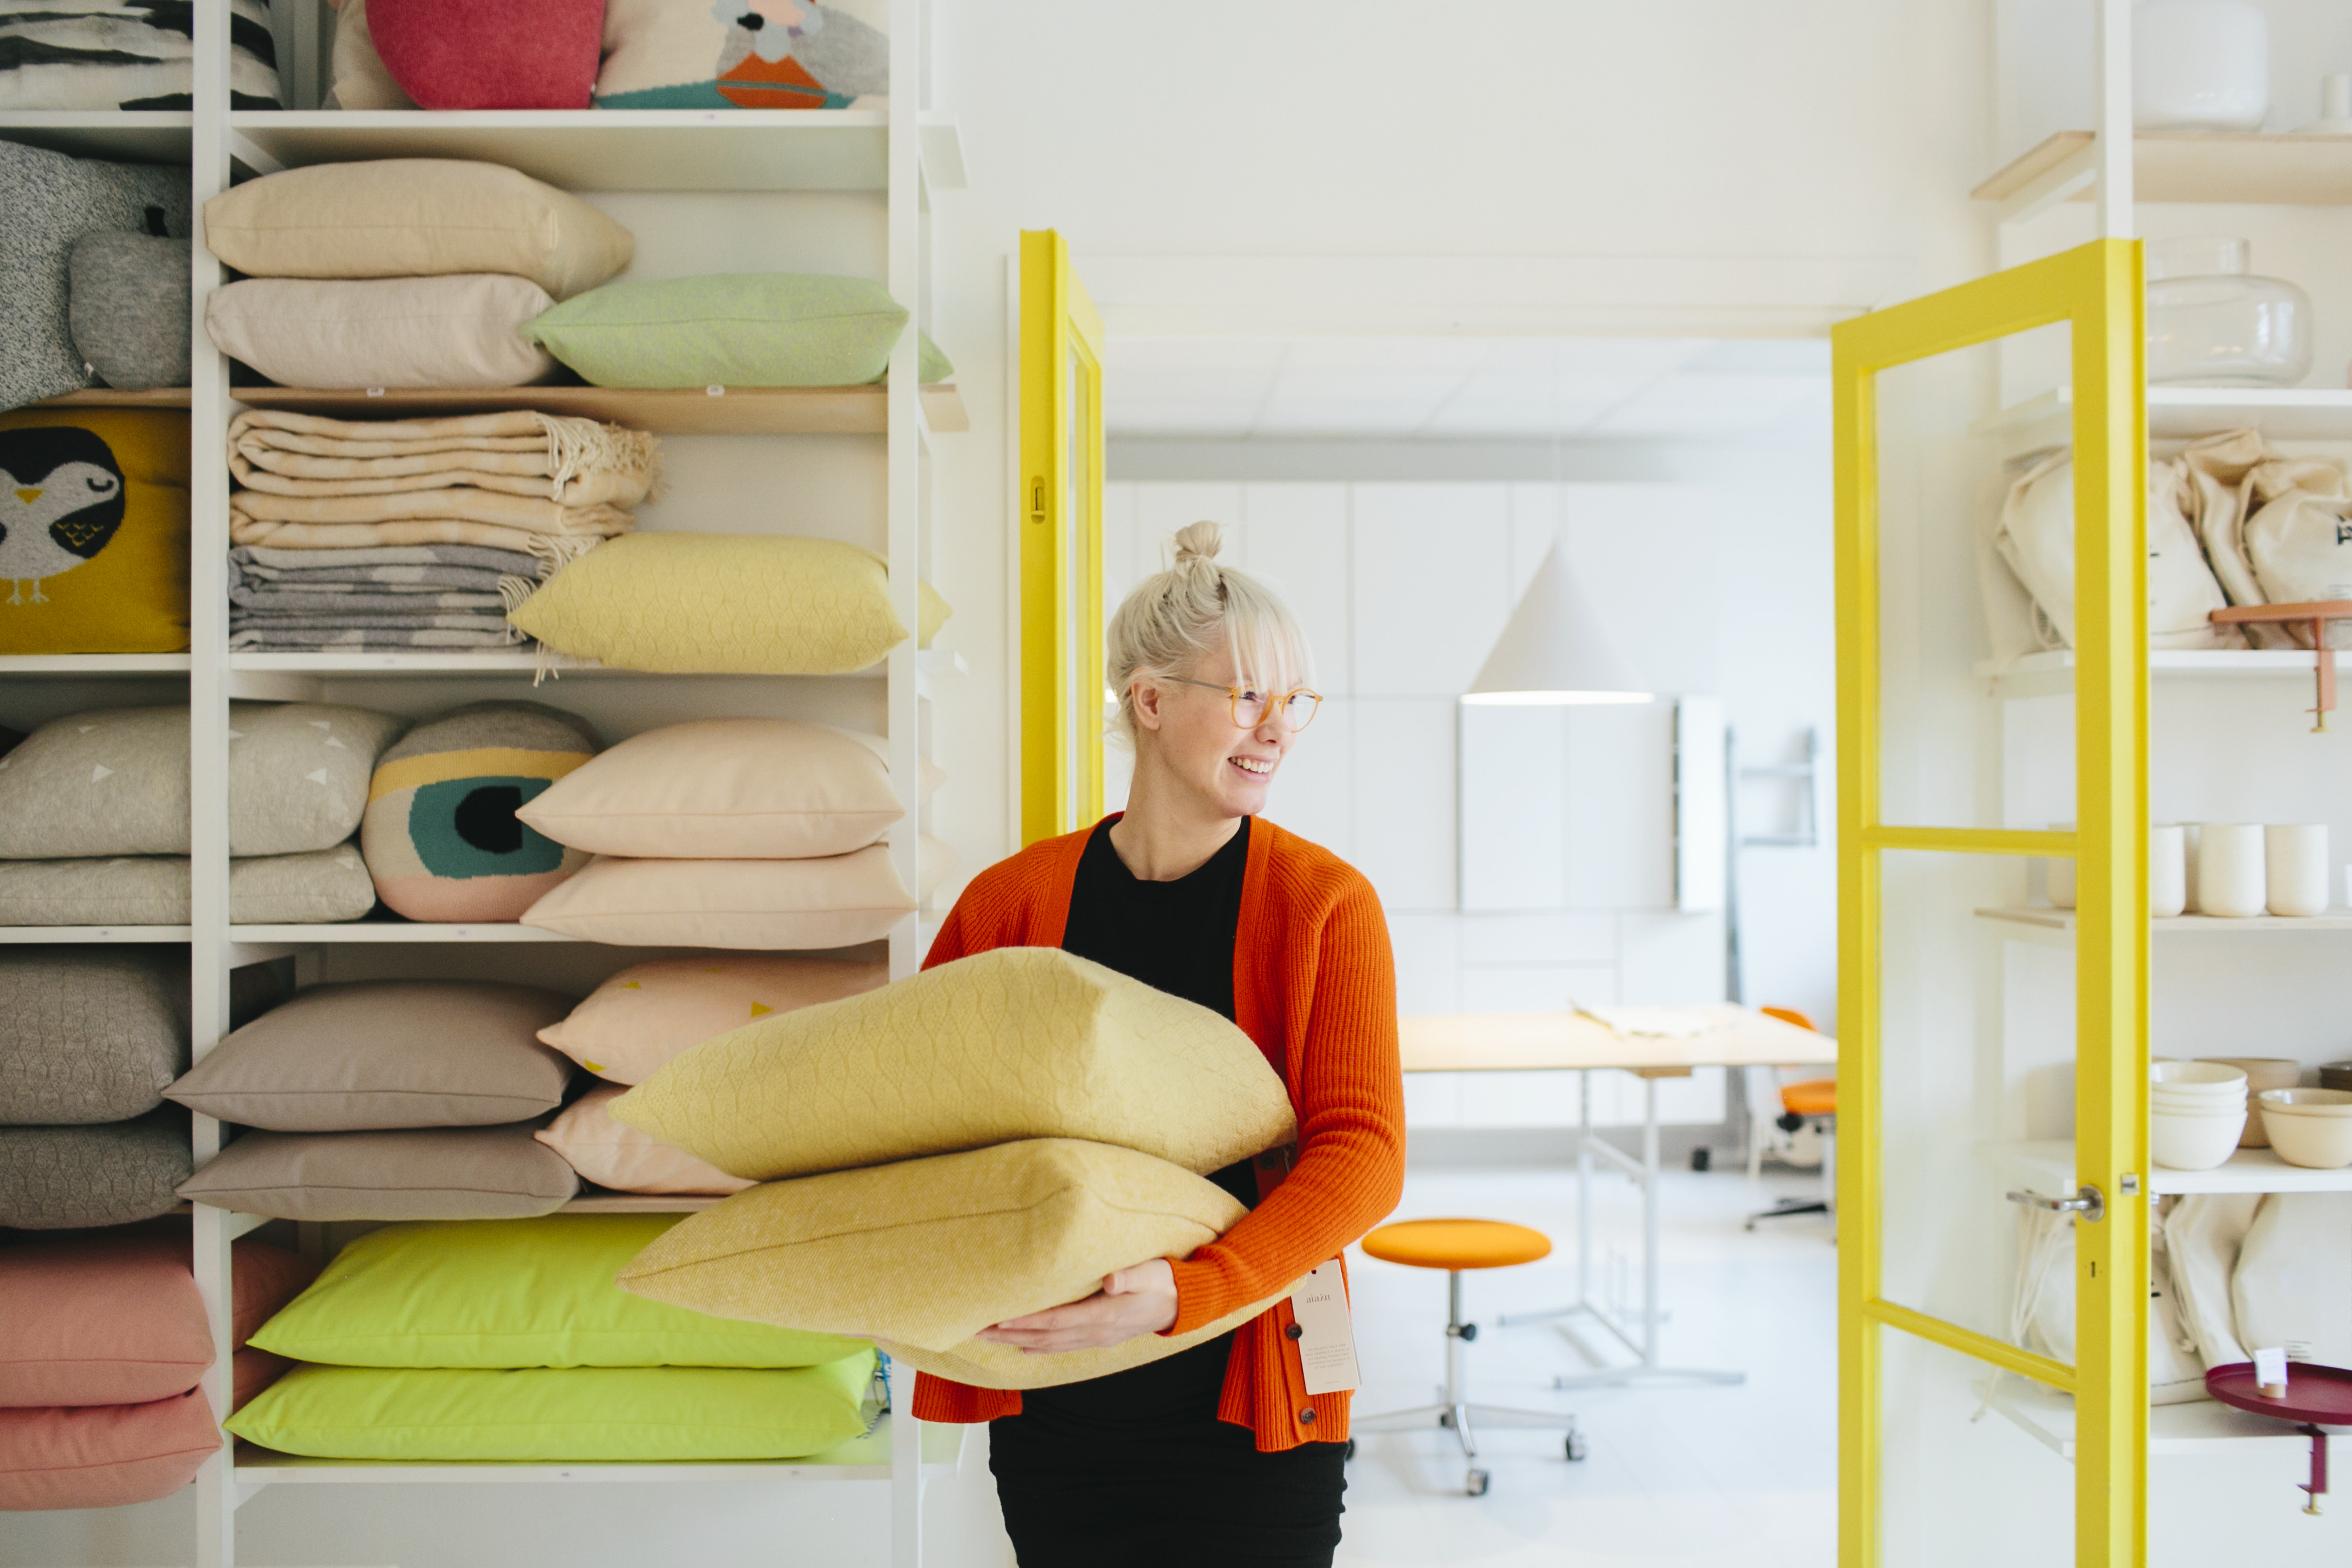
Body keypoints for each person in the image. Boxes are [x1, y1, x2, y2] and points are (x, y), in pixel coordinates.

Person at [913, 521, 1407, 1567]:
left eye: (1293, 703)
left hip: (1251, 1397)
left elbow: (1362, 1155)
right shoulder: (1009, 904)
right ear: (1148, 701)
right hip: (1058, 1409)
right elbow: (923, 1115)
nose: (1276, 730)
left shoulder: (1326, 907)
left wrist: (1190, 1294)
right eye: (1245, 697)